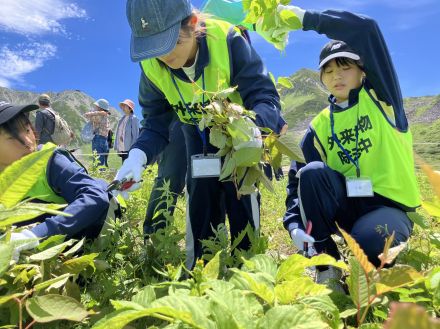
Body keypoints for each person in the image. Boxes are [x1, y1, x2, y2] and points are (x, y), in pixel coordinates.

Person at [116, 0, 285, 269]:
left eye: (171, 43)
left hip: (240, 137)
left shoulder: (228, 40)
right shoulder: (151, 67)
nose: (164, 57)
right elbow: (156, 124)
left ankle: (248, 270)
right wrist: (137, 156)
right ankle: (202, 271)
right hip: (195, 133)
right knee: (201, 202)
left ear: (193, 24)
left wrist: (256, 128)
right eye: (154, 47)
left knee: (241, 201)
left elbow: (264, 95)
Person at [281, 5, 420, 283]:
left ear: (363, 72)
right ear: (322, 78)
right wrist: (295, 224)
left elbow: (366, 30)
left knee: (370, 248)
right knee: (312, 173)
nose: (337, 75)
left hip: (387, 208)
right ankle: (327, 266)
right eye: (329, 70)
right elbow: (298, 180)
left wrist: (307, 18)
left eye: (346, 66)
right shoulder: (318, 126)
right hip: (347, 206)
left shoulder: (383, 101)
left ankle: (367, 257)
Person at [0, 101, 112, 260]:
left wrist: (34, 235)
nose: (27, 142)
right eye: (11, 137)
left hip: (85, 243)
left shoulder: (49, 159)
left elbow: (95, 196)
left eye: (26, 129)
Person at [84, 99, 111, 167]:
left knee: (97, 162)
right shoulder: (105, 116)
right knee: (102, 162)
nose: (95, 107)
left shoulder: (99, 116)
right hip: (104, 140)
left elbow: (87, 116)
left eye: (96, 106)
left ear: (100, 107)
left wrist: (91, 113)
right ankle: (102, 175)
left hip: (98, 138)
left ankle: (98, 176)